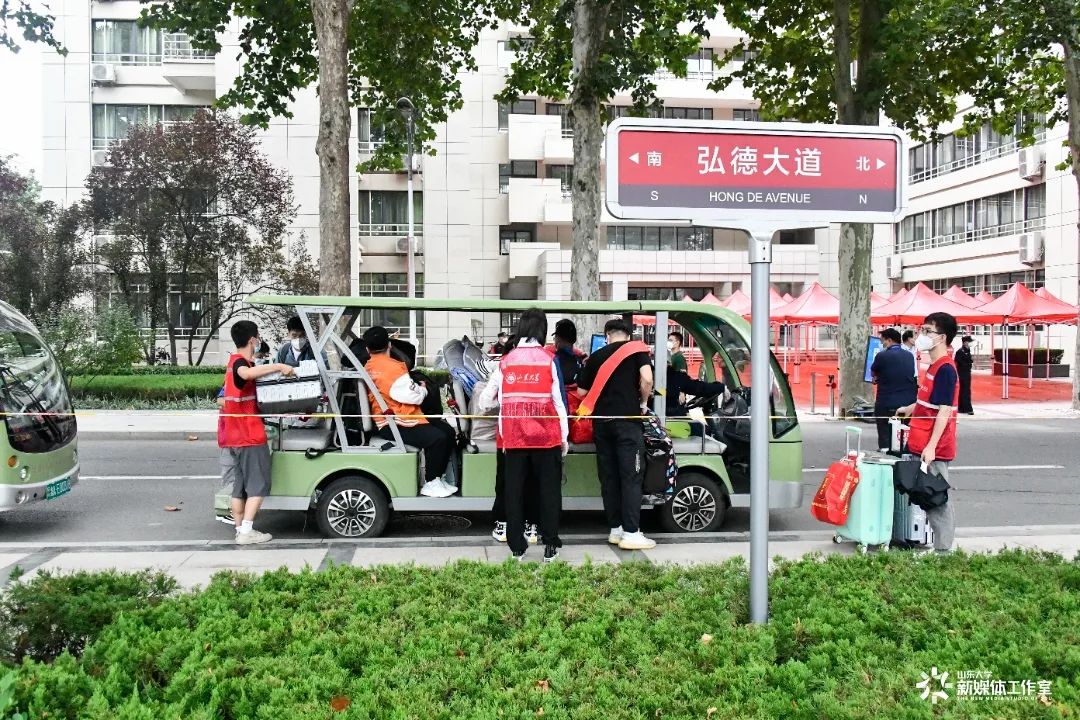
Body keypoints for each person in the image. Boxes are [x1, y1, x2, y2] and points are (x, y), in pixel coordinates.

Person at [482, 311, 568, 561]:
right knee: (549, 493)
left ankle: (517, 548)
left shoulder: (506, 361)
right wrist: (564, 437)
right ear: (542, 330)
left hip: (514, 438)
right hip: (547, 438)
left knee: (514, 492)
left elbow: (486, 400)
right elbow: (559, 402)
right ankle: (550, 545)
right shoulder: (548, 360)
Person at [577, 318, 655, 550]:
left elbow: (582, 391)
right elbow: (648, 379)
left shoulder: (596, 358)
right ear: (629, 335)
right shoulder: (637, 351)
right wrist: (642, 401)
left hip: (601, 424)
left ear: (607, 335)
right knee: (631, 476)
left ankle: (615, 529)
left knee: (609, 477)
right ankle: (631, 532)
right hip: (627, 423)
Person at [219, 320, 295, 545]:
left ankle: (239, 529)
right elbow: (246, 373)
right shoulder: (240, 364)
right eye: (258, 337)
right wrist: (279, 367)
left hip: (234, 436)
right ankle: (246, 531)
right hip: (249, 435)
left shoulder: (232, 362)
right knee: (258, 485)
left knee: (239, 487)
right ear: (252, 340)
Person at [363, 325, 457, 498]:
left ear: (368, 349)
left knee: (447, 431)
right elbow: (414, 398)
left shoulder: (369, 365)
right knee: (439, 438)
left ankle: (436, 477)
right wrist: (424, 389)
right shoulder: (393, 368)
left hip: (390, 418)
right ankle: (430, 482)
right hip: (397, 421)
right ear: (390, 345)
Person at [896, 312, 959, 554]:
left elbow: (944, 411)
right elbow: (927, 402)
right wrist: (908, 409)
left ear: (942, 337)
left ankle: (944, 552)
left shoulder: (945, 369)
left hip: (935, 447)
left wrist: (931, 447)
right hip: (921, 441)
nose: (921, 336)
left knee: (937, 499)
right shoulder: (933, 366)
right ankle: (939, 548)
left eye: (927, 331)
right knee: (925, 497)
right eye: (921, 330)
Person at [870, 328, 917, 451]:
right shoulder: (909, 356)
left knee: (885, 433)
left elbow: (873, 373)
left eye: (883, 341)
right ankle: (903, 455)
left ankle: (885, 453)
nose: (882, 344)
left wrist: (876, 378)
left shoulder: (882, 355)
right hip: (907, 402)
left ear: (889, 340)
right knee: (902, 434)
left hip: (886, 401)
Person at [666, 367, 727, 437]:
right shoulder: (673, 376)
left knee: (701, 427)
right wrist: (721, 387)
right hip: (670, 419)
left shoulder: (662, 376)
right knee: (705, 430)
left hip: (670, 417)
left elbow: (697, 387)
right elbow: (698, 387)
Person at [550, 319, 586, 394]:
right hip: (577, 402)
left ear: (558, 339)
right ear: (574, 339)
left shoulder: (550, 359)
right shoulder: (583, 359)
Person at [956, 335, 974, 415]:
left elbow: (969, 360)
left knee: (965, 390)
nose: (970, 343)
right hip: (962, 374)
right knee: (965, 391)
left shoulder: (967, 350)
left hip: (967, 373)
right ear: (965, 342)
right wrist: (968, 363)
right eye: (969, 342)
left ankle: (962, 408)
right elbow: (959, 362)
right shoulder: (960, 351)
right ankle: (968, 409)